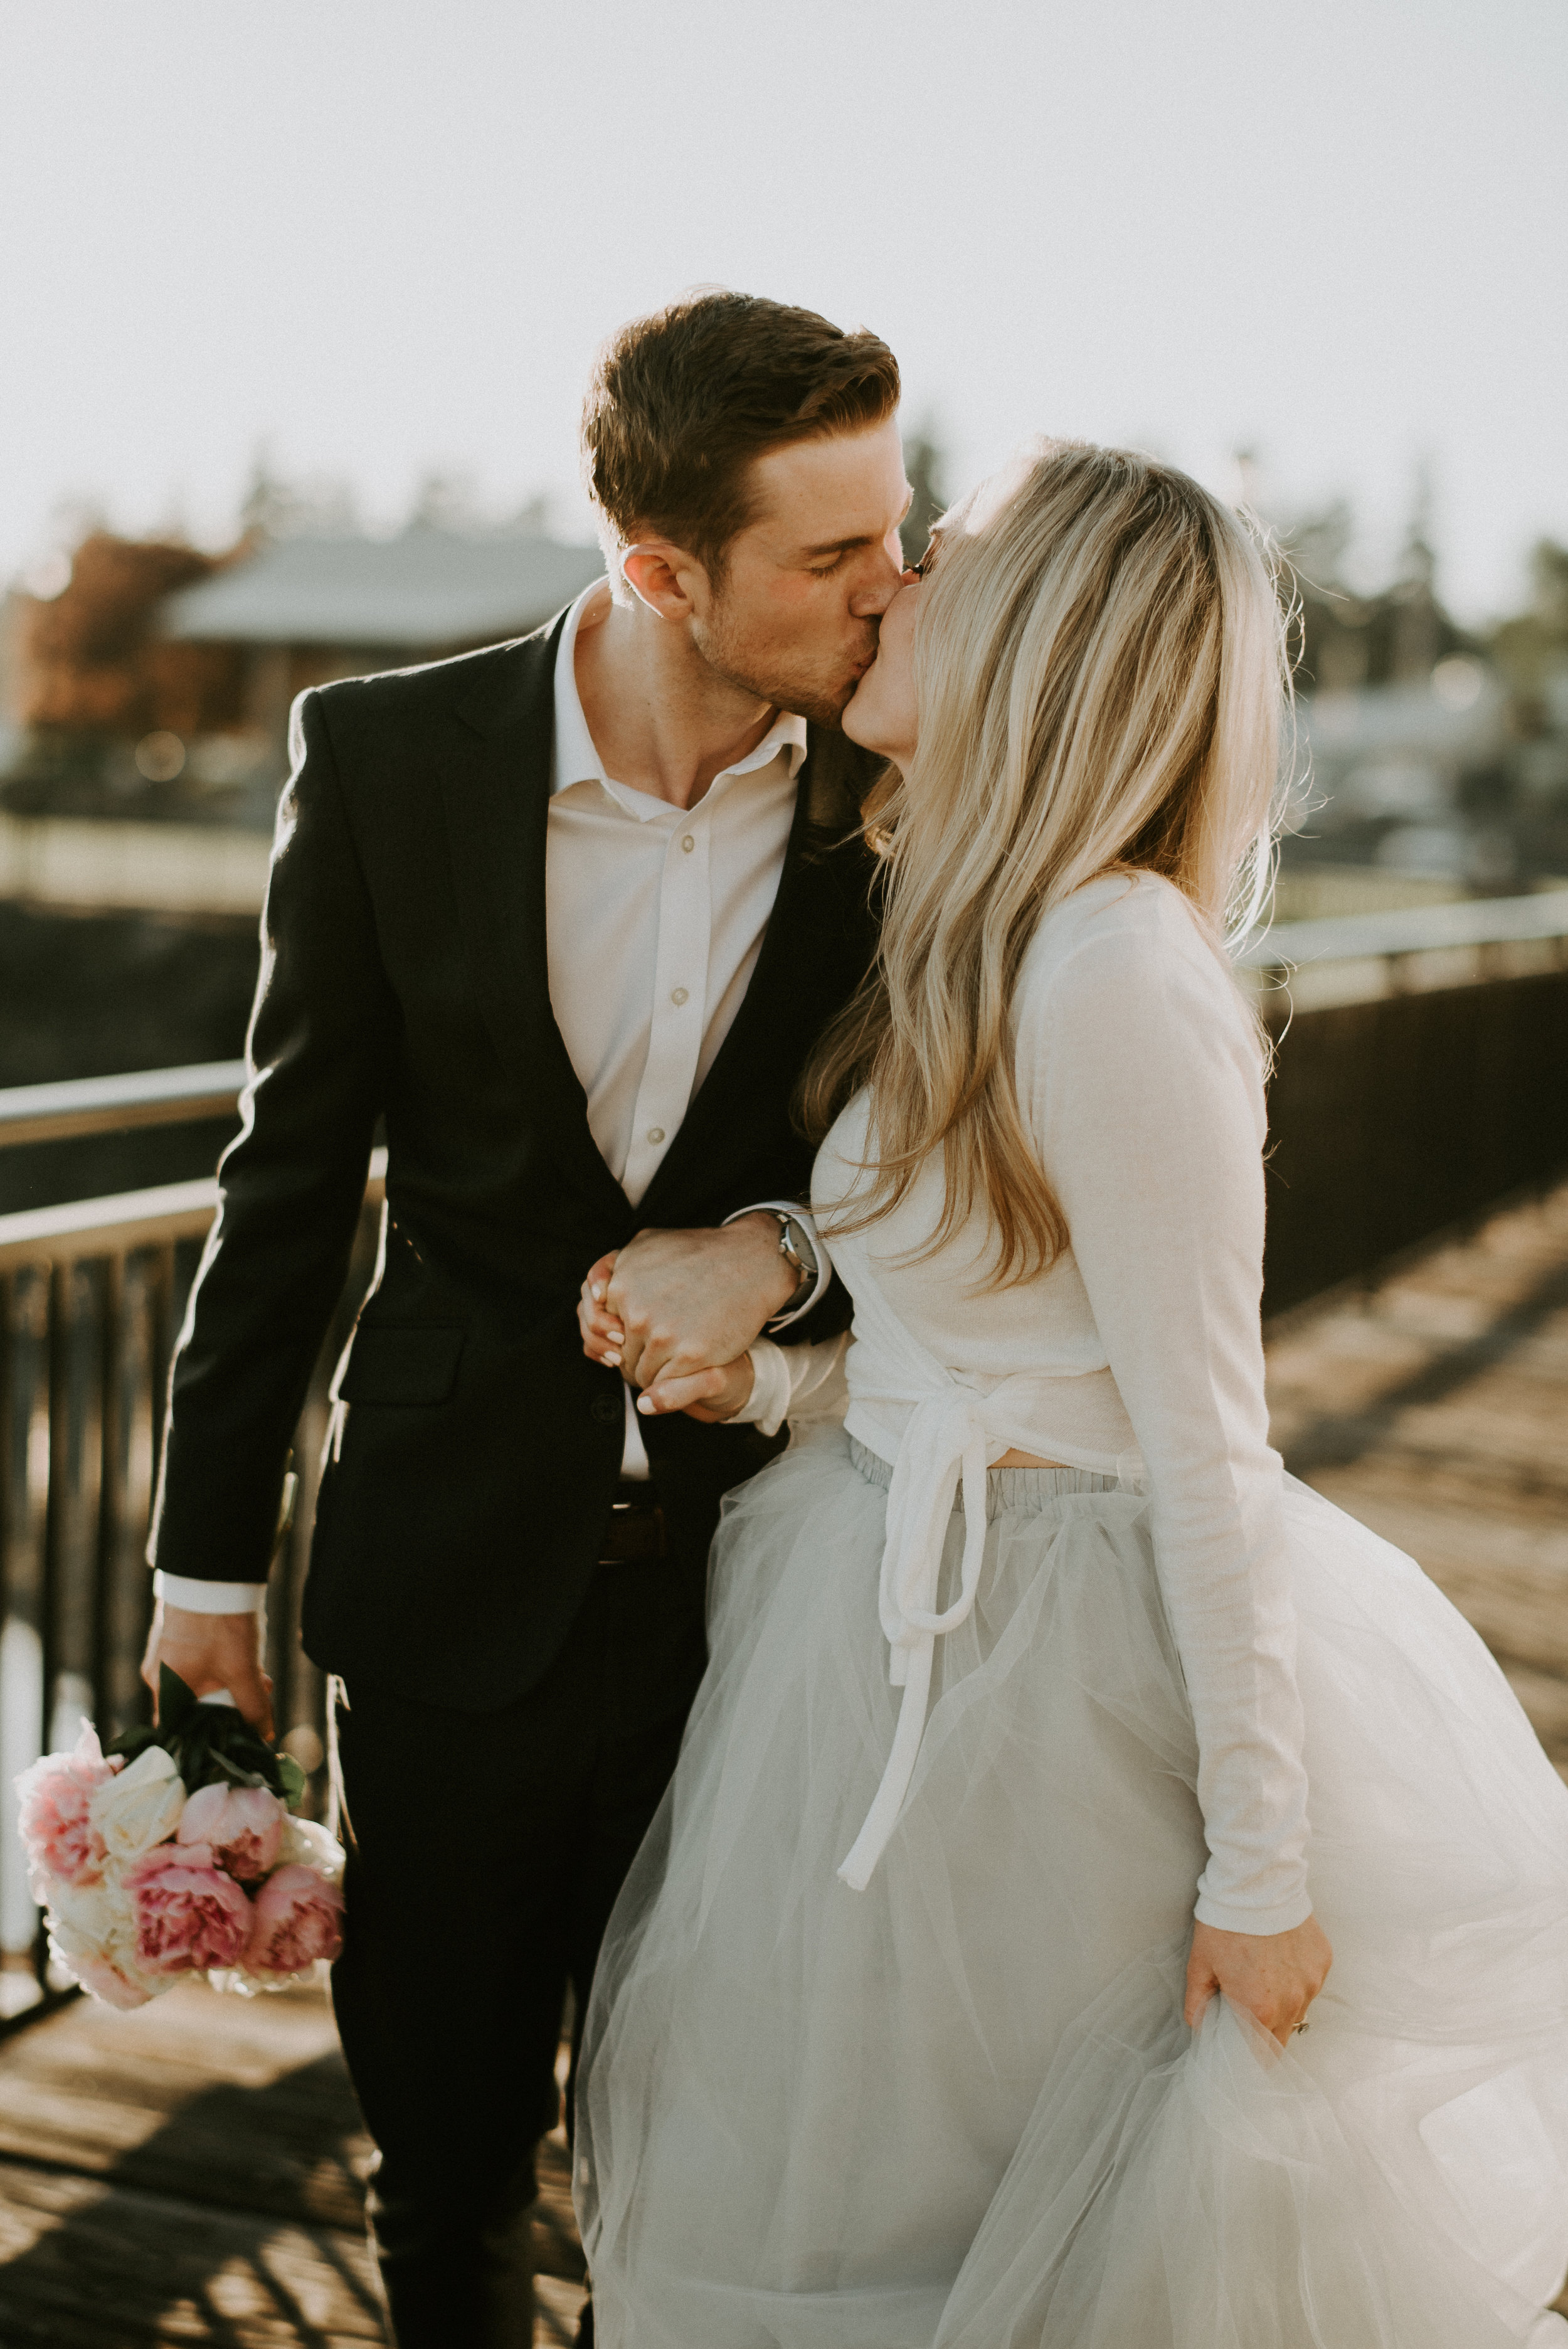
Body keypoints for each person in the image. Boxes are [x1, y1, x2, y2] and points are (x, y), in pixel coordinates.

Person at [573, 442, 1568, 2346]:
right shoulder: (976, 928)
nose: (891, 584)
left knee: (995, 2252)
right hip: (879, 1634)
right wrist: (774, 1382)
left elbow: (1205, 1450)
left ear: (1035, 638)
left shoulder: (1112, 966)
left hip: (1050, 1699)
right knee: (850, 2223)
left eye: (938, 559)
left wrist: (1261, 1867)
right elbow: (994, 1354)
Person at [139, 288, 913, 2348]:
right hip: (449, 1588)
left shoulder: (904, 796)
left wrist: (775, 1241)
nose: (892, 591)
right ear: (661, 571)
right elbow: (285, 1190)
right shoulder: (387, 760)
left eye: (892, 530)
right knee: (449, 2157)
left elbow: (951, 1181)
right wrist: (204, 1567)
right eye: (833, 557)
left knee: (726, 2148)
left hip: (775, 1595)